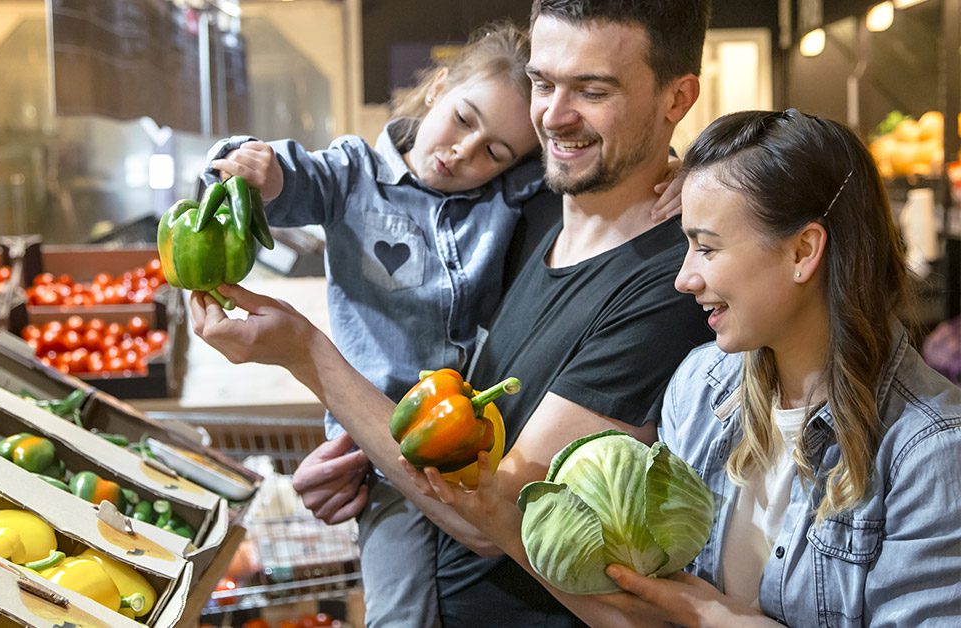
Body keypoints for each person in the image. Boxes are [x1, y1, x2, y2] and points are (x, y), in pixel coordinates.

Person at [190, 0, 714, 625]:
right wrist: (369, 449)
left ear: (677, 98)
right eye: (544, 83)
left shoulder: (671, 281)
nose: (553, 114)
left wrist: (309, 355)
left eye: (593, 90)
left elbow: (495, 517)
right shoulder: (530, 213)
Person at [412, 110, 961, 627]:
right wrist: (496, 514)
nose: (684, 278)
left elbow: (690, 611)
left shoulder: (931, 450)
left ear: (802, 252)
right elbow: (649, 604)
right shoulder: (701, 387)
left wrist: (716, 619)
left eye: (706, 247)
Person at [203, 22, 546, 628]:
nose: (466, 152)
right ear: (438, 88)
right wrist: (254, 166)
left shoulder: (504, 198)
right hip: (387, 450)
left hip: (483, 442)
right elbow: (292, 178)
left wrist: (668, 170)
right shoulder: (352, 176)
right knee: (401, 612)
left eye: (496, 150)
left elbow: (585, 171)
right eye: (464, 119)